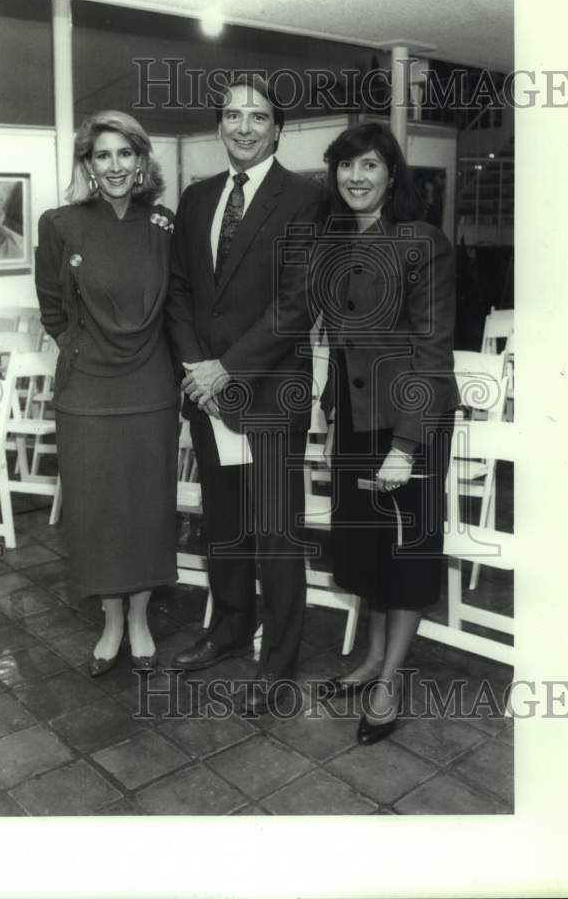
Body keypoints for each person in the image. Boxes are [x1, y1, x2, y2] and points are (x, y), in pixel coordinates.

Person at [165, 76, 321, 716]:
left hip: (268, 395)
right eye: (233, 115)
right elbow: (179, 290)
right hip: (206, 395)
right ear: (219, 126)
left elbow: (297, 304)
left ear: (278, 129)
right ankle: (229, 628)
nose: (244, 127)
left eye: (258, 117)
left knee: (274, 535)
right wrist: (197, 369)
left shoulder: (306, 199)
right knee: (224, 525)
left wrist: (225, 369)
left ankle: (278, 664)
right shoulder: (198, 197)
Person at [309, 121, 459, 744]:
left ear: (392, 174)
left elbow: (433, 352)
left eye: (369, 164)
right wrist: (328, 411)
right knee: (369, 551)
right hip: (355, 418)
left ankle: (389, 681)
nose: (356, 177)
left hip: (408, 422)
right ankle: (371, 660)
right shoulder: (336, 242)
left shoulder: (423, 243)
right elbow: (338, 342)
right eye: (346, 166)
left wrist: (405, 446)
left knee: (406, 557)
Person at [34, 110, 178, 677]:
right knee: (96, 511)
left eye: (125, 153)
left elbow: (178, 305)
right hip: (87, 394)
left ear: (140, 160)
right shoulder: (59, 223)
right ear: (88, 164)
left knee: (145, 510)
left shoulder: (163, 223)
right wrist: (79, 350)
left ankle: (139, 618)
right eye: (102, 155)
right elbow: (51, 308)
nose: (115, 165)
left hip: (151, 389)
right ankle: (111, 621)